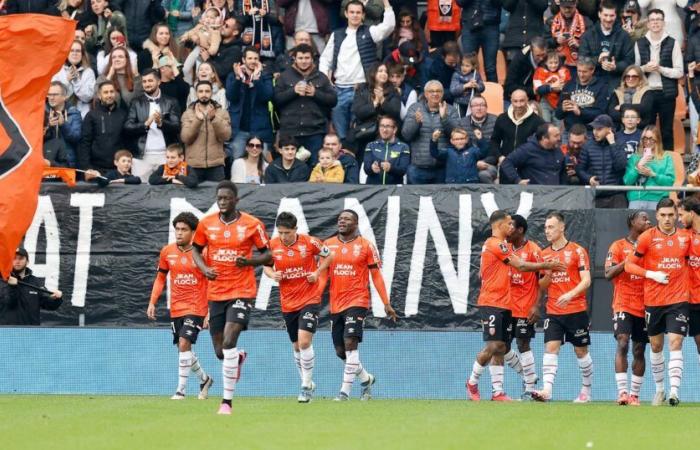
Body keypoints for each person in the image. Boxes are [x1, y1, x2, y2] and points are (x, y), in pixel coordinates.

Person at [466, 211, 564, 402]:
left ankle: (498, 392)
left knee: (502, 346)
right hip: (492, 302)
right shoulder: (496, 243)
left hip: (505, 303)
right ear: (500, 225)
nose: (511, 227)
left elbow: (483, 273)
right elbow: (520, 266)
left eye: (513, 225)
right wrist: (547, 263)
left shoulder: (503, 246)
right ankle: (472, 382)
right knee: (495, 345)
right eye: (508, 224)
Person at [191, 180, 271, 415]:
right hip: (216, 292)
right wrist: (205, 269)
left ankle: (226, 402)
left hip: (241, 290)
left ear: (236, 200)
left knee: (228, 342)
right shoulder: (206, 224)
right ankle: (238, 357)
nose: (222, 202)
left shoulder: (252, 224)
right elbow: (195, 249)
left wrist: (250, 261)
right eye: (219, 198)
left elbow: (269, 256)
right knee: (220, 352)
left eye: (227, 198)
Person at [322, 209, 398, 401]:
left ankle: (344, 393)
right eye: (340, 218)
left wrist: (386, 303)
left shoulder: (366, 246)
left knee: (350, 343)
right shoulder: (327, 245)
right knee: (340, 351)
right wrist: (313, 297)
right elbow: (322, 275)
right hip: (336, 304)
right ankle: (365, 379)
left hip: (357, 301)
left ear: (356, 224)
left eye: (347, 219)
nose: (342, 221)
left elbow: (376, 276)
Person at [625, 198, 690, 406]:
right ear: (657, 216)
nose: (667, 219)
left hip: (679, 299)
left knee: (676, 342)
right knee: (655, 346)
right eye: (663, 215)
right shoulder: (646, 238)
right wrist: (651, 274)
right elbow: (628, 266)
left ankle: (674, 392)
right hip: (653, 300)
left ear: (677, 215)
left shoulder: (685, 238)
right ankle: (660, 390)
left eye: (671, 215)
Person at [263, 212, 333, 402]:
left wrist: (317, 272)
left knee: (304, 342)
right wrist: (272, 275)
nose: (283, 237)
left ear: (295, 230)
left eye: (287, 232)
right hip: (288, 302)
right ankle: (307, 381)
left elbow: (329, 256)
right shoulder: (273, 245)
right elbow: (266, 266)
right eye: (280, 233)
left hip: (309, 299)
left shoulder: (310, 242)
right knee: (295, 346)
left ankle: (305, 387)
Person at [148, 212, 213, 400]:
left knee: (185, 343)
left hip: (197, 306)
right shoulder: (167, 252)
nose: (179, 233)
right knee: (182, 348)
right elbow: (160, 278)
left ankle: (180, 391)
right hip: (177, 307)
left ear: (193, 232)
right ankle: (205, 379)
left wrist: (208, 310)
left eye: (184, 229)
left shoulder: (204, 253)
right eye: (177, 229)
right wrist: (152, 302)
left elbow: (211, 282)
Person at [531, 212, 593, 403]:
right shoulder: (544, 254)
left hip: (576, 309)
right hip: (554, 311)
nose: (547, 231)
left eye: (551, 227)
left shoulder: (577, 251)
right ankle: (547, 391)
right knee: (551, 348)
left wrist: (570, 294)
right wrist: (548, 273)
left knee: (581, 351)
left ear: (562, 228)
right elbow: (540, 285)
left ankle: (586, 392)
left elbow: (587, 281)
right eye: (545, 228)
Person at [319, 0, 396, 140]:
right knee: (341, 135)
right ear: (346, 14)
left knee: (359, 133)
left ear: (363, 15)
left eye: (358, 12)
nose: (355, 15)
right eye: (352, 12)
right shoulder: (336, 34)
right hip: (339, 90)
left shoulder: (370, 31)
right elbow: (325, 60)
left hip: (361, 90)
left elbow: (389, 26)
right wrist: (326, 81)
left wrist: (386, 3)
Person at [604, 210, 651, 406]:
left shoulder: (651, 246)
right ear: (632, 221)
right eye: (644, 218)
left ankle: (634, 395)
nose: (649, 221)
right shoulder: (618, 246)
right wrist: (628, 260)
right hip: (623, 302)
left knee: (639, 349)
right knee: (623, 342)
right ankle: (622, 392)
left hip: (646, 303)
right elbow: (608, 274)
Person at [274, 44, 337, 163]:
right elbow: (276, 100)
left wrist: (315, 93)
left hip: (315, 132)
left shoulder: (321, 77)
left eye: (307, 58)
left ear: (312, 58)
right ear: (295, 59)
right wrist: (293, 91)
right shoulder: (284, 77)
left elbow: (333, 100)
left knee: (315, 167)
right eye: (301, 58)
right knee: (291, 168)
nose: (304, 61)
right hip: (290, 132)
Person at [506, 214, 544, 396]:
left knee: (523, 343)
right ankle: (528, 375)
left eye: (511, 226)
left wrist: (537, 305)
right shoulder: (503, 248)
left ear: (520, 230)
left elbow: (544, 279)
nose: (508, 229)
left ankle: (530, 389)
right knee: (501, 346)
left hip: (525, 306)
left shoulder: (534, 250)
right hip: (505, 306)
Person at [634, 8, 683, 150]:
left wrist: (660, 69)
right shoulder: (640, 43)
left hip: (666, 93)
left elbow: (679, 72)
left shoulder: (673, 43)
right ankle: (646, 162)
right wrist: (645, 69)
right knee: (647, 131)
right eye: (652, 20)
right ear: (648, 24)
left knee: (666, 131)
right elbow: (635, 71)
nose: (655, 23)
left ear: (663, 23)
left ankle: (669, 164)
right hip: (646, 92)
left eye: (658, 20)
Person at [123, 68, 181, 180]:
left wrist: (161, 123)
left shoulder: (171, 101)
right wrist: (145, 124)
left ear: (159, 81)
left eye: (150, 81)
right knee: (140, 192)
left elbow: (177, 127)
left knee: (168, 191)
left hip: (167, 156)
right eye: (144, 82)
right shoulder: (136, 102)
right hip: (142, 156)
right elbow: (127, 127)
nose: (147, 84)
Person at [401, 80, 460, 184]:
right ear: (425, 94)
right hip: (418, 168)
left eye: (438, 91)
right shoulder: (415, 108)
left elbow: (458, 136)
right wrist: (416, 123)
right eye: (431, 91)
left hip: (443, 168)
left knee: (442, 200)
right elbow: (406, 135)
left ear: (442, 93)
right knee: (415, 200)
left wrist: (445, 118)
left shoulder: (450, 110)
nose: (435, 94)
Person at [227, 47, 274, 159]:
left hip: (260, 130)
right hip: (239, 130)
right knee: (237, 162)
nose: (253, 61)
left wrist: (257, 79)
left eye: (255, 58)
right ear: (243, 60)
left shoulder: (265, 75)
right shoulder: (233, 75)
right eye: (250, 58)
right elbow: (231, 96)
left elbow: (267, 96)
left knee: (262, 164)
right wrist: (238, 78)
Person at [488, 89, 544, 183]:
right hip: (506, 167)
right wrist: (499, 156)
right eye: (515, 101)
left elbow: (541, 145)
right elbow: (494, 141)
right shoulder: (502, 118)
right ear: (511, 101)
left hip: (527, 168)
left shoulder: (537, 121)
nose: (519, 105)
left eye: (522, 101)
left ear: (527, 100)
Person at [180, 80, 232, 182]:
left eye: (207, 91)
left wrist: (214, 119)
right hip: (193, 165)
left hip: (216, 165)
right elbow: (185, 138)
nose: (204, 94)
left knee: (216, 196)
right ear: (196, 93)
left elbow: (226, 136)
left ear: (211, 93)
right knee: (192, 198)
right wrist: (198, 120)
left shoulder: (222, 113)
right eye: (201, 91)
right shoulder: (188, 113)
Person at [349, 63, 401, 162]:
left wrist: (382, 100)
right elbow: (358, 112)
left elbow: (395, 112)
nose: (384, 74)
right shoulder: (362, 89)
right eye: (380, 71)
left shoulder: (393, 91)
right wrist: (375, 103)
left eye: (386, 71)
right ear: (373, 73)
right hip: (365, 134)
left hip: (384, 134)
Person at [578, 1, 635, 91]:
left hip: (617, 83)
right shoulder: (588, 35)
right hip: (592, 83)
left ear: (616, 16)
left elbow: (630, 61)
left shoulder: (624, 36)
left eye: (611, 15)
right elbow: (582, 60)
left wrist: (615, 66)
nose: (608, 19)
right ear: (599, 14)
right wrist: (598, 60)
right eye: (605, 15)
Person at [575, 114, 628, 208]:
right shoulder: (587, 146)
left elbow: (621, 166)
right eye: (594, 128)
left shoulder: (619, 143)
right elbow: (580, 169)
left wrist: (612, 144)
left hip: (616, 195)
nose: (595, 132)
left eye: (599, 129)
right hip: (595, 195)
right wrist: (589, 178)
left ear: (609, 129)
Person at [0, 248, 62, 326]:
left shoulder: (35, 282)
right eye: (14, 258)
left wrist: (56, 299)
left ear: (27, 261)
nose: (17, 261)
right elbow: (9, 303)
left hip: (31, 333)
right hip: (6, 332)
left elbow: (49, 305)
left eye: (21, 258)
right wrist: (12, 287)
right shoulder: (2, 281)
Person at [78, 80, 128, 174]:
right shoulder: (91, 115)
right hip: (96, 169)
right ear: (99, 96)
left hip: (118, 169)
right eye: (106, 92)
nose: (109, 95)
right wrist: (87, 167)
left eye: (112, 92)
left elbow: (127, 141)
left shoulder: (123, 114)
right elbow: (85, 143)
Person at [623, 125, 675, 210]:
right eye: (645, 138)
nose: (647, 141)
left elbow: (670, 182)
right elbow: (627, 181)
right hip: (637, 198)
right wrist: (638, 167)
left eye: (651, 139)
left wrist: (653, 174)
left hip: (658, 200)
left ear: (658, 140)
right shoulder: (635, 157)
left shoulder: (666, 157)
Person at [500, 122, 568, 186]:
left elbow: (563, 172)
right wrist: (517, 180)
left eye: (559, 135)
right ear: (544, 138)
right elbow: (506, 163)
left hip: (555, 194)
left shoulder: (558, 150)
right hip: (534, 194)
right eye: (556, 136)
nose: (559, 138)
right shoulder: (527, 150)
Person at [555, 57, 609, 135]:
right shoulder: (569, 85)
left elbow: (601, 113)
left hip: (590, 133)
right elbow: (558, 115)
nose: (581, 75)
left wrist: (580, 112)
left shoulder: (601, 87)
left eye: (584, 72)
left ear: (592, 70)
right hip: (569, 132)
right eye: (579, 71)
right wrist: (562, 109)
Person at [679, 198, 700, 377]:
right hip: (691, 299)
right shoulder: (683, 236)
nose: (679, 219)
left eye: (681, 214)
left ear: (691, 213)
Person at [456, 0, 502, 82]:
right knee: (467, 64)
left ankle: (492, 94)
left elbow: (501, 3)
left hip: (491, 24)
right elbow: (460, 2)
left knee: (490, 68)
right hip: (469, 24)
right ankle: (467, 93)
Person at [52, 40, 96, 118]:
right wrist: (67, 81)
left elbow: (87, 97)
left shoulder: (88, 72)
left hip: (82, 116)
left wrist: (76, 81)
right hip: (61, 116)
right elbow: (54, 97)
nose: (75, 53)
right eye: (71, 50)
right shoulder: (58, 70)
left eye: (78, 51)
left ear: (82, 54)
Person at [43, 81, 82, 169]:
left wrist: (63, 124)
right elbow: (37, 140)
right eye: (49, 94)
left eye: (55, 94)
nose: (51, 98)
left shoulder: (73, 113)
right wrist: (49, 127)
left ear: (65, 97)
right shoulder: (43, 113)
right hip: (47, 160)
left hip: (67, 161)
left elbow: (76, 137)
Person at [363, 115, 410, 185]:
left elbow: (403, 170)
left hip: (394, 190)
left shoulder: (403, 147)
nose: (384, 130)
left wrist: (391, 168)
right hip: (373, 190)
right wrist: (372, 168)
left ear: (395, 130)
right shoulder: (371, 145)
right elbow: (366, 169)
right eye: (382, 126)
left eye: (388, 126)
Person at [549, 0, 592, 74]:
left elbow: (593, 46)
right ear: (559, 5)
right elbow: (544, 43)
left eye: (570, 7)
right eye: (564, 7)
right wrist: (556, 41)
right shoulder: (550, 22)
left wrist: (579, 45)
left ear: (575, 4)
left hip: (579, 67)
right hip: (556, 66)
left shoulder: (587, 22)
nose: (567, 10)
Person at [533, 50, 571, 125]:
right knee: (546, 124)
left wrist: (561, 89)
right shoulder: (539, 71)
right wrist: (551, 87)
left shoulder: (564, 71)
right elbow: (537, 89)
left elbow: (569, 88)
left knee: (558, 126)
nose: (553, 65)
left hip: (559, 103)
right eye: (550, 63)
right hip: (545, 101)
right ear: (546, 62)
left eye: (556, 62)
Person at [503, 37, 547, 102]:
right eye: (538, 55)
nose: (541, 58)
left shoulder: (548, 57)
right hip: (515, 98)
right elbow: (509, 86)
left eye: (543, 54)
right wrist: (532, 91)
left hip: (540, 97)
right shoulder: (519, 60)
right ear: (531, 51)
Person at [209, 16, 244, 82]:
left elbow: (222, 72)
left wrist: (208, 59)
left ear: (235, 32)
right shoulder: (217, 41)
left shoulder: (235, 50)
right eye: (224, 23)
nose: (223, 26)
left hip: (220, 85)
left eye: (227, 26)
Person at [450, 53, 485, 118]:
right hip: (459, 103)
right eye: (462, 65)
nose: (464, 68)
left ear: (473, 67)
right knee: (459, 121)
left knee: (470, 122)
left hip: (472, 104)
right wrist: (465, 86)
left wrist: (477, 86)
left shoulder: (476, 75)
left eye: (467, 66)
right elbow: (453, 90)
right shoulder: (457, 75)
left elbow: (482, 88)